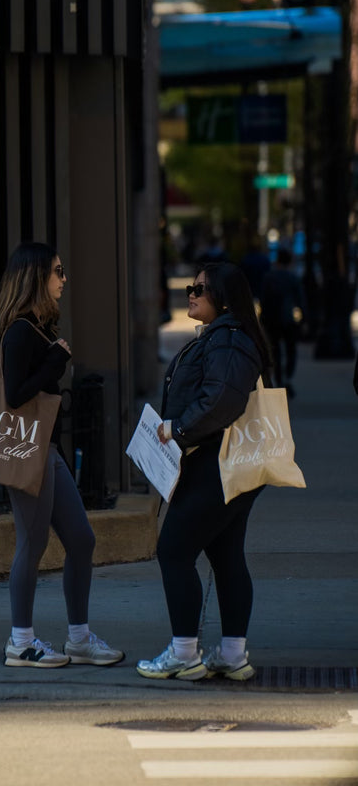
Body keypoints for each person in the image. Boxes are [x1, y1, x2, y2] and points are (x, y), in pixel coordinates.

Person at [0, 242, 124, 669]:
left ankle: (79, 640)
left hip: (47, 448)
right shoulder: (19, 331)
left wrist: (53, 360)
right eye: (58, 272)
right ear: (35, 277)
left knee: (82, 539)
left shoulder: (36, 329)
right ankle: (20, 642)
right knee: (32, 542)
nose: (64, 280)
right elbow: (14, 396)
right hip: (28, 449)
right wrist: (55, 362)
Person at [136, 262, 272, 682]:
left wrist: (175, 428)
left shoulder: (228, 341)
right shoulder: (223, 337)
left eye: (200, 288)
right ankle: (231, 655)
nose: (190, 293)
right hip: (221, 464)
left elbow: (221, 402)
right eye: (190, 286)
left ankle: (184, 654)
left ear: (225, 299)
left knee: (174, 551)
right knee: (226, 556)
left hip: (218, 464)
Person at [259, 247, 304, 397]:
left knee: (276, 351)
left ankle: (279, 379)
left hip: (272, 320)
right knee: (291, 350)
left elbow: (263, 300)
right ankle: (287, 378)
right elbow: (300, 299)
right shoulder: (292, 277)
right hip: (288, 319)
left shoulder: (269, 277)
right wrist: (304, 317)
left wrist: (262, 318)